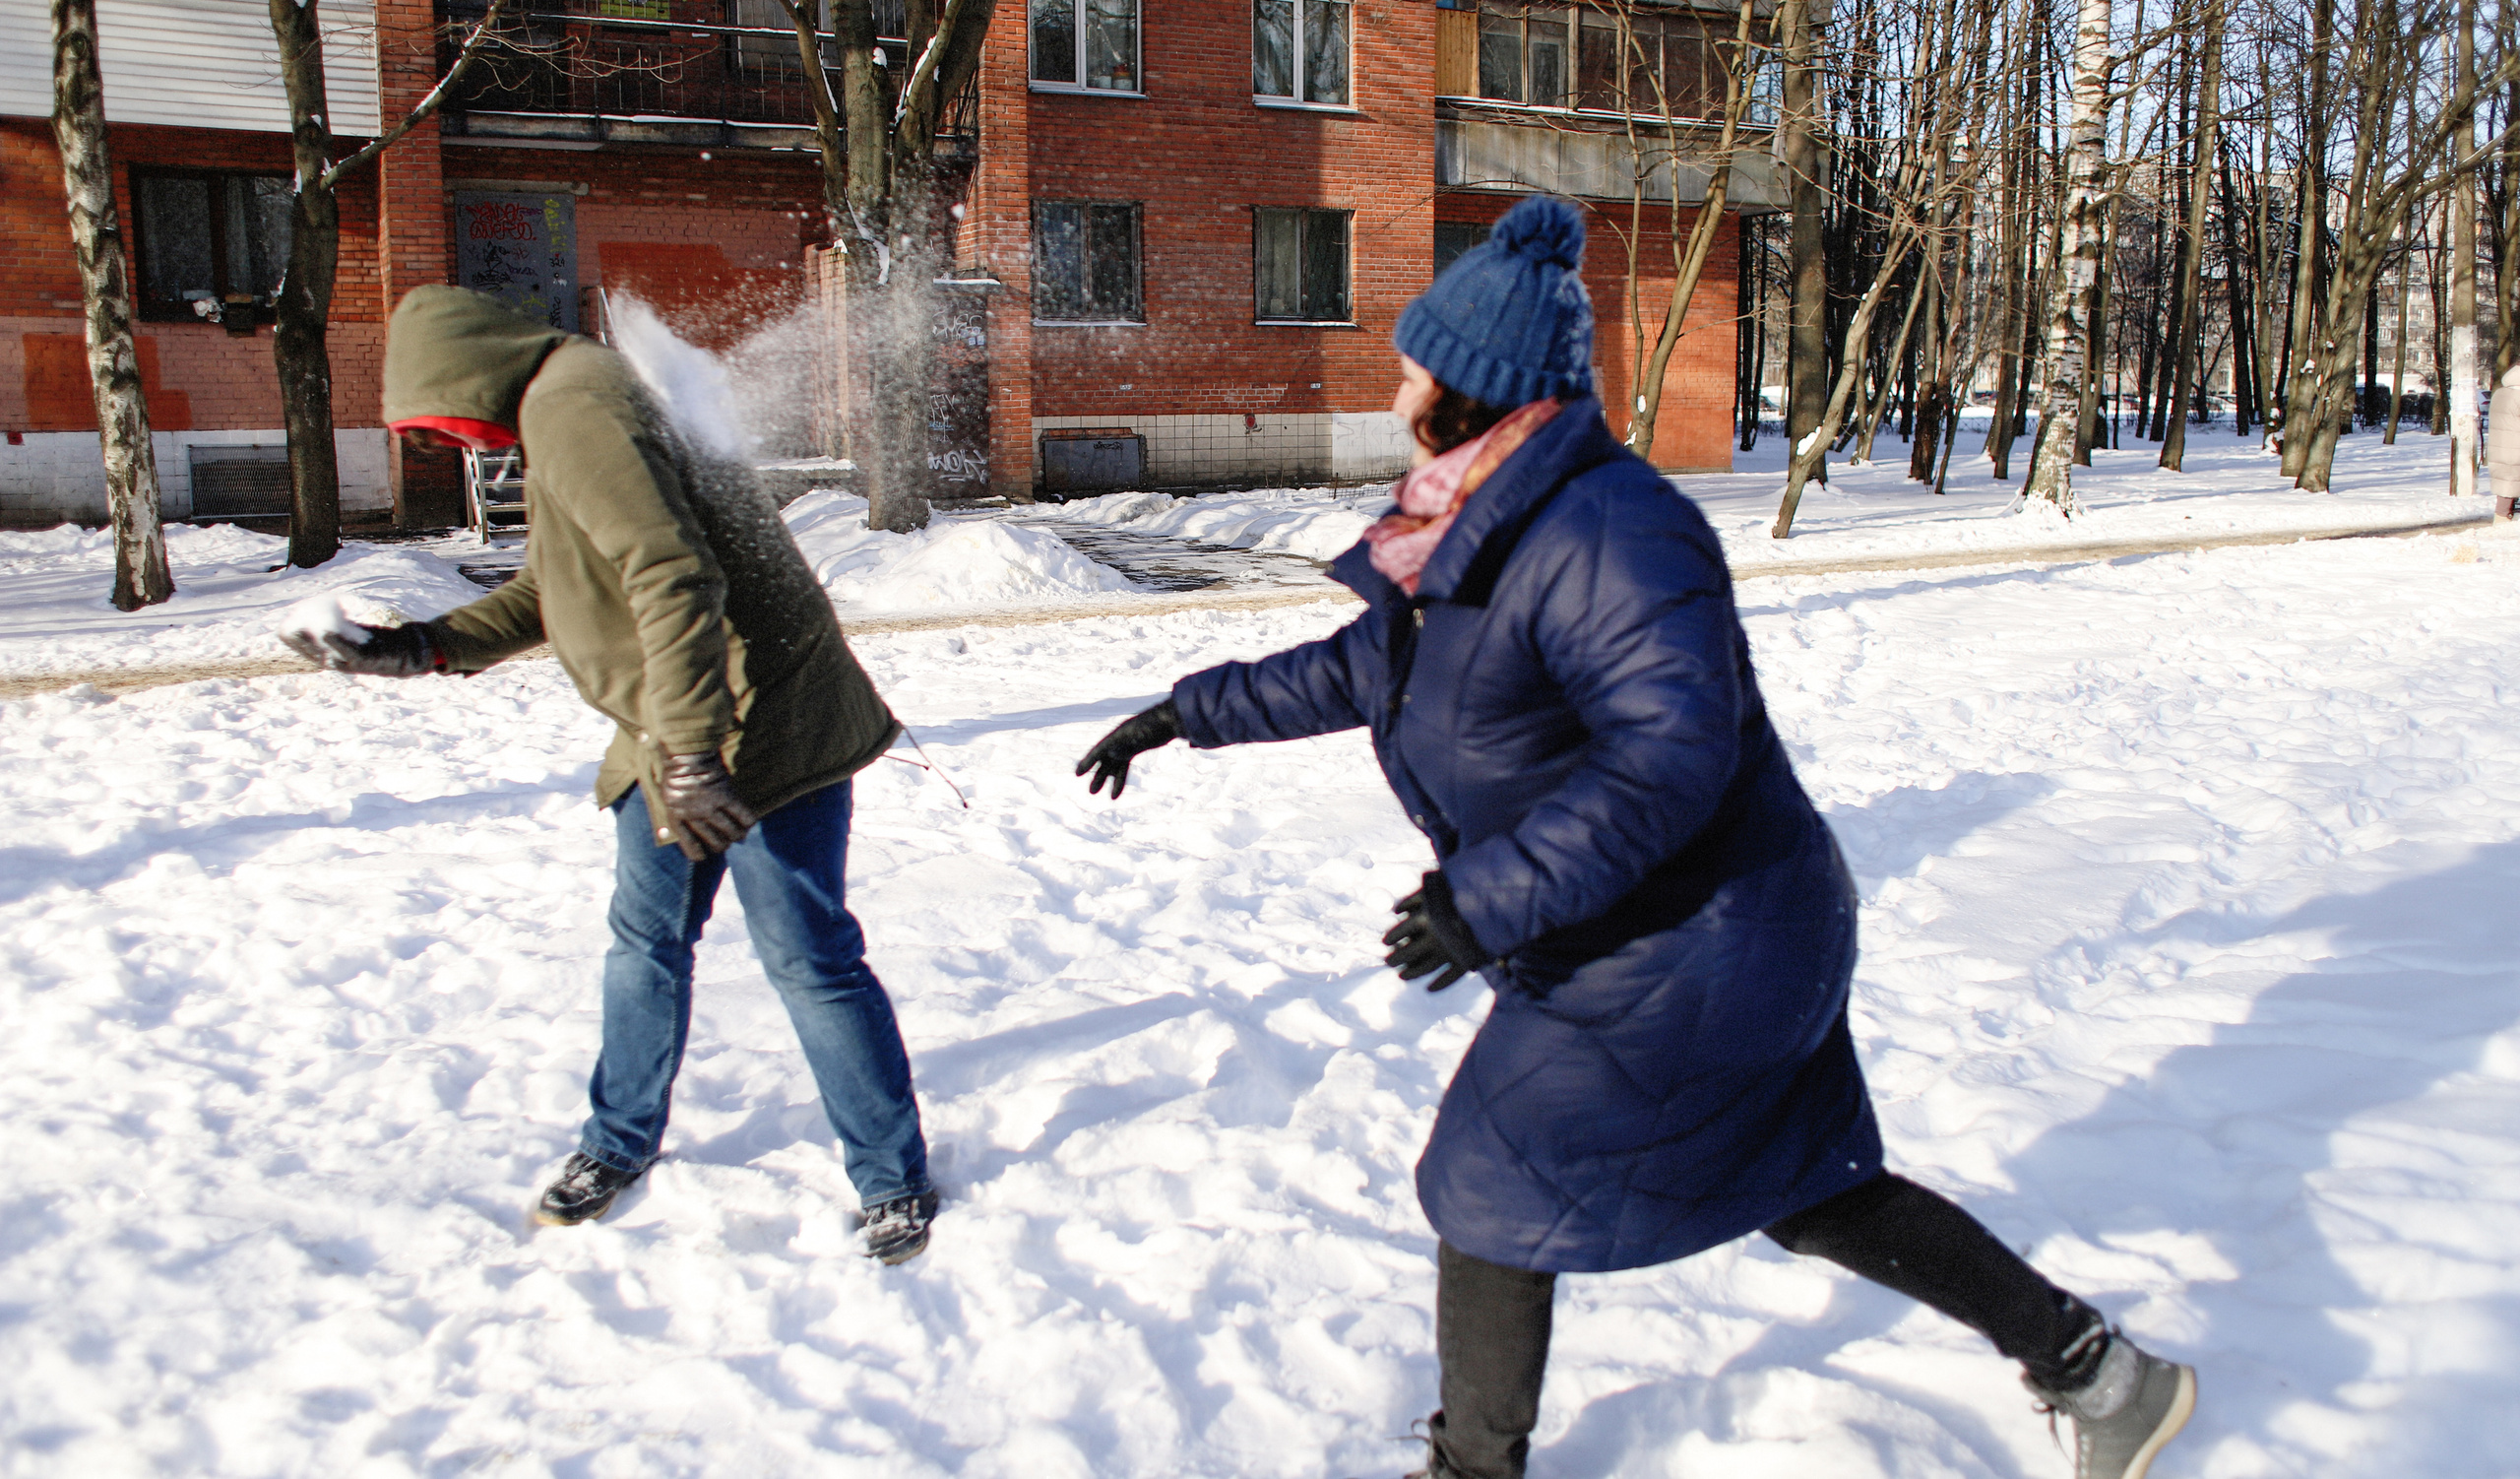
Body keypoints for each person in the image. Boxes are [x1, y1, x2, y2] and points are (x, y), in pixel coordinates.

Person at [1075, 198, 2196, 1479]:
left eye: (1415, 367)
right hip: (1674, 932)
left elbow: (1670, 759)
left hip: (1708, 937)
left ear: (1475, 391)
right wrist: (1184, 712)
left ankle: (1471, 1468)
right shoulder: (1470, 520)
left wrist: (1484, 898)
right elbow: (1368, 666)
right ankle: (2098, 1369)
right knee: (1803, 1180)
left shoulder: (1614, 528)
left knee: (1490, 1178)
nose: (1396, 392)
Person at [282, 287, 939, 1263]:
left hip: (759, 730)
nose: (454, 446)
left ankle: (891, 1179)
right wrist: (423, 647)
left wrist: (689, 757)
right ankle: (617, 1144)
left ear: (461, 375)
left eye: (436, 423)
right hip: (671, 730)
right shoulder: (565, 402)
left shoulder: (574, 401)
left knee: (807, 958)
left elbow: (674, 576)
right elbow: (557, 585)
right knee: (644, 943)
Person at [2490, 363, 2518, 523]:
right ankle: (2504, 523)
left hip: (2500, 447)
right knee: (2511, 483)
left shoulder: (2500, 393)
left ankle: (2501, 519)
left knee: (2506, 486)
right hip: (2516, 448)